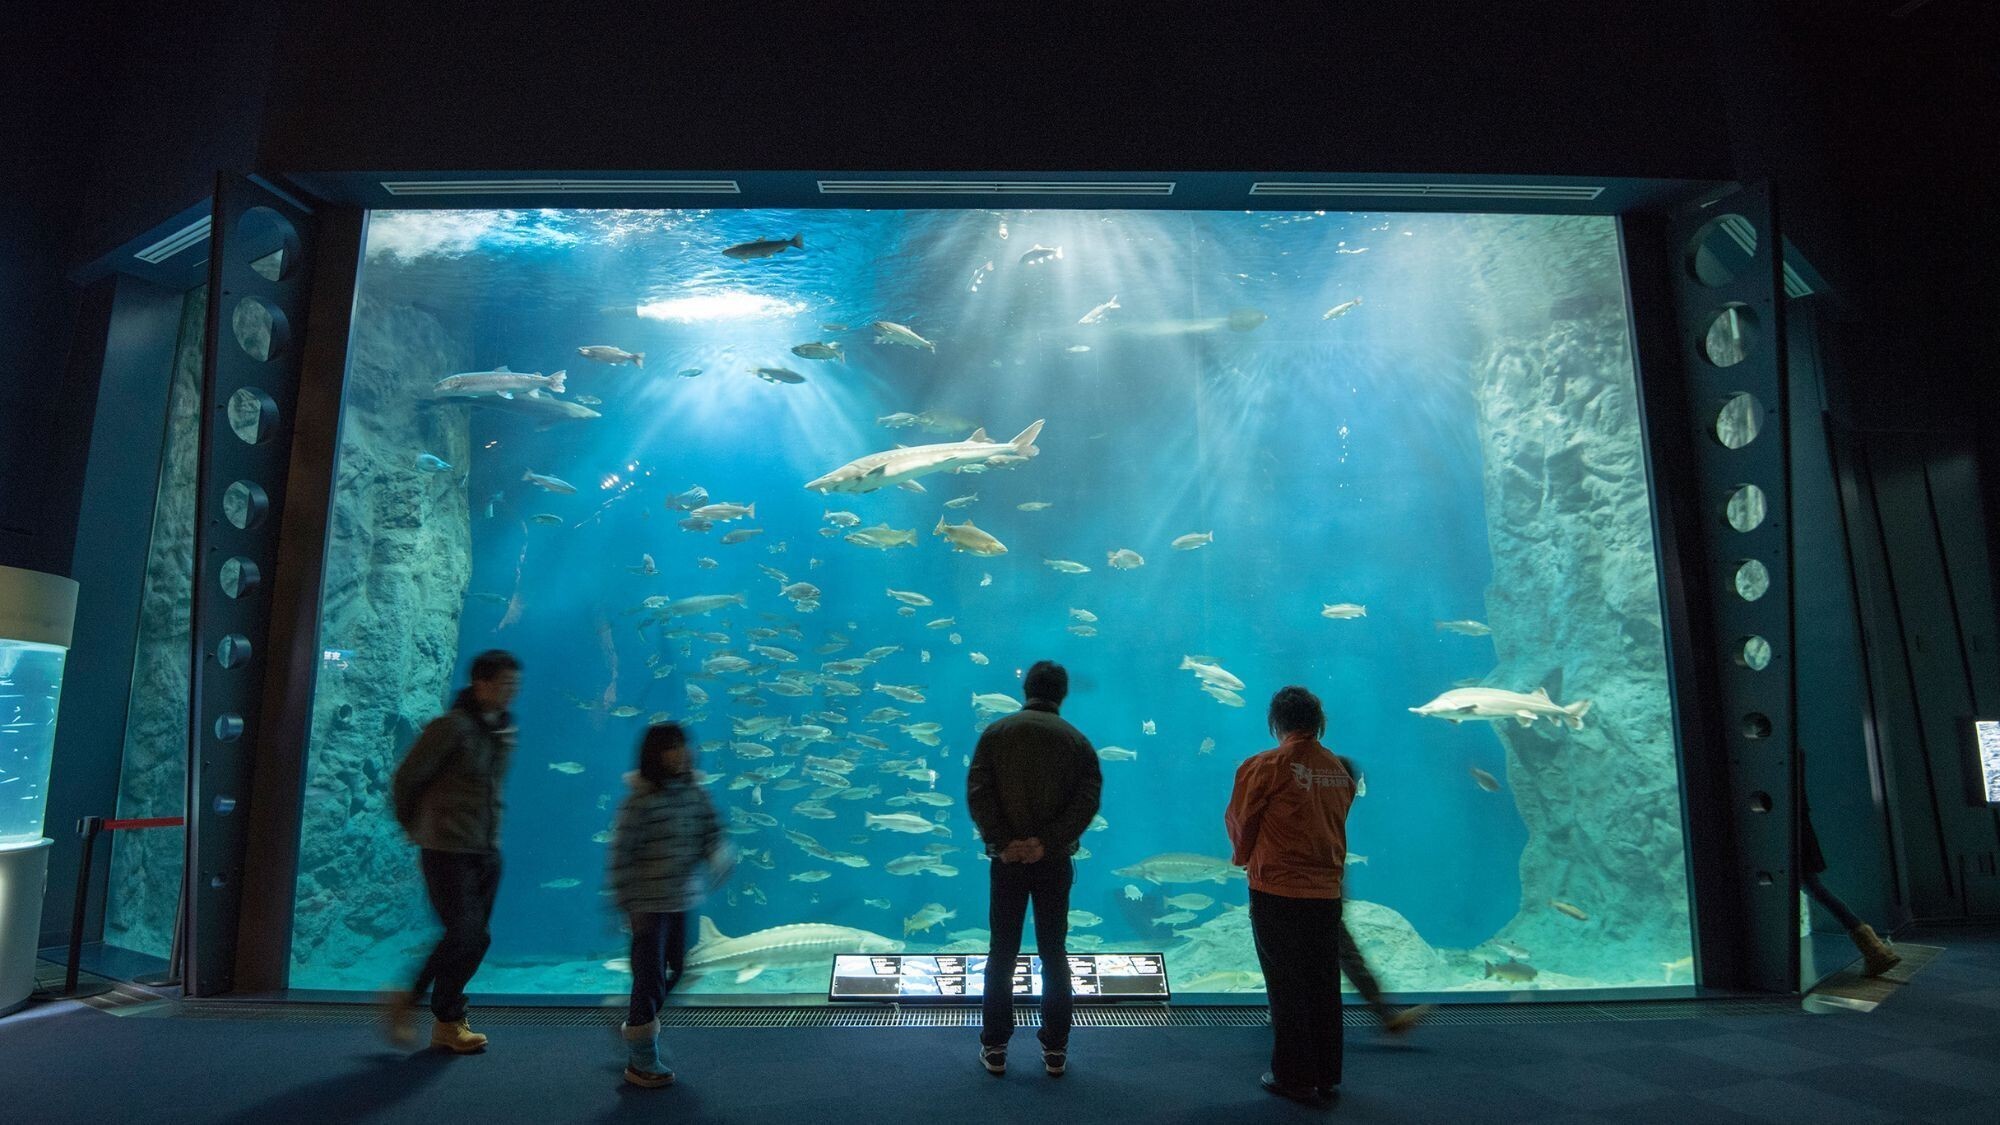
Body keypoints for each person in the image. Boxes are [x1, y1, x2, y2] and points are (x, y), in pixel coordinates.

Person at [965, 660, 1102, 1079]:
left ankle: (996, 1046)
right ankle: (1056, 1049)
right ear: (1062, 694)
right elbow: (1086, 800)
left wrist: (1003, 841)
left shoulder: (996, 734)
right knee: (1054, 953)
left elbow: (978, 791)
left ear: (1026, 690)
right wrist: (1048, 842)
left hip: (1007, 864)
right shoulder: (1078, 741)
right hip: (1053, 863)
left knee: (1001, 952)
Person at [1225, 685, 1356, 1105]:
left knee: (1285, 986)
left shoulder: (1265, 765)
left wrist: (1244, 858)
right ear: (1319, 723)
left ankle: (1293, 1076)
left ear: (1274, 724)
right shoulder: (1338, 769)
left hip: (1277, 889)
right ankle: (1326, 1073)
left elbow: (1241, 820)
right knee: (1323, 983)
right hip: (1326, 891)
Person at [385, 650, 521, 1053]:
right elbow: (407, 778)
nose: (511, 693)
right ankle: (410, 1003)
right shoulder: (450, 728)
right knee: (463, 931)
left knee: (476, 939)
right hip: (446, 848)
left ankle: (446, 1022)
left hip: (485, 849)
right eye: (505, 685)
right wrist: (417, 828)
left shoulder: (500, 731)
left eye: (515, 686)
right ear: (481, 685)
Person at [608, 722, 731, 1088]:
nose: (681, 753)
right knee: (649, 979)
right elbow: (622, 852)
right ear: (655, 754)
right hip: (647, 903)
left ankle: (635, 1024)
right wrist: (624, 902)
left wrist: (718, 855)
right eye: (671, 747)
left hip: (681, 899)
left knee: (677, 970)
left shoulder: (695, 791)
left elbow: (711, 830)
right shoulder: (640, 798)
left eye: (683, 746)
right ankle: (641, 1061)